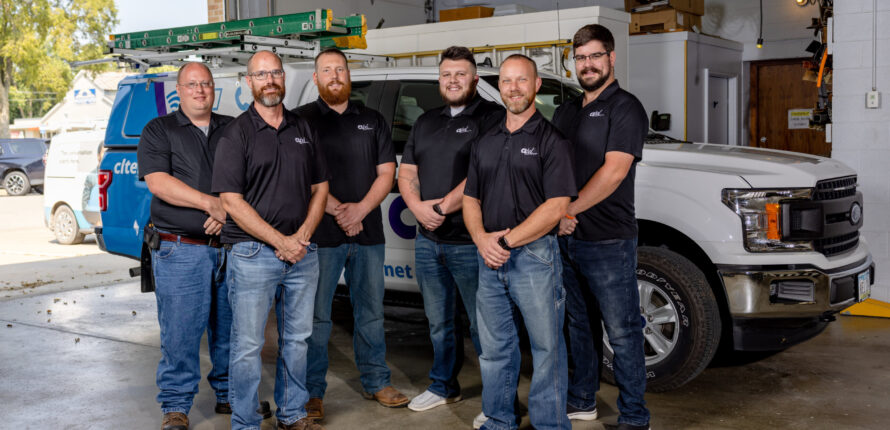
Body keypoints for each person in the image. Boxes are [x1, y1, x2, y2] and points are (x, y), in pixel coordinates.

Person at [212, 51, 329, 430]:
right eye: (261, 75)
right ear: (249, 82)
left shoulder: (303, 128)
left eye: (275, 73)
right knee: (247, 346)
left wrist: (303, 237)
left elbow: (321, 187)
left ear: (283, 76)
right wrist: (281, 241)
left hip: (303, 252)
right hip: (252, 254)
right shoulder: (236, 134)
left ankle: (292, 413)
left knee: (298, 341)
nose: (269, 80)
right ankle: (245, 422)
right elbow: (231, 201)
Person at [463, 54, 576, 430]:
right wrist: (481, 239)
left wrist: (506, 242)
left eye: (521, 81)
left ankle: (550, 425)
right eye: (507, 81)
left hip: (533, 257)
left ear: (536, 85)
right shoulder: (486, 140)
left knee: (546, 350)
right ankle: (498, 420)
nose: (513, 88)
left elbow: (558, 205)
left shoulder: (552, 140)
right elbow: (470, 198)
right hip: (488, 257)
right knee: (495, 350)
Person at [294, 48, 405, 421]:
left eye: (340, 69)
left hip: (368, 232)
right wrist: (340, 210)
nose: (335, 75)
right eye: (327, 70)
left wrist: (359, 211)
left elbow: (386, 173)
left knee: (371, 313)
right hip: (320, 235)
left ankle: (376, 382)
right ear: (316, 78)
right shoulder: (301, 121)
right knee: (317, 318)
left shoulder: (372, 120)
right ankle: (312, 394)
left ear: (349, 74)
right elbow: (301, 177)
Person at [552, 24, 651, 430]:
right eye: (580, 58)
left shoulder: (625, 107)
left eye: (595, 56)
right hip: (567, 240)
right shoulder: (566, 110)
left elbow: (614, 172)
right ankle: (581, 399)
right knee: (579, 325)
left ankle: (634, 416)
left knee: (624, 331)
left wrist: (568, 210)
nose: (587, 64)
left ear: (611, 58)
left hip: (609, 239)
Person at [138, 62, 245, 430]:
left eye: (206, 84)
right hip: (180, 250)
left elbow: (251, 177)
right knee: (181, 332)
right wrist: (210, 203)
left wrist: (226, 210)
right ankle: (176, 406)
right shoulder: (159, 130)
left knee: (232, 328)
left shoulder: (234, 127)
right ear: (179, 90)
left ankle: (230, 395)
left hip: (230, 247)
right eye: (192, 84)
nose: (200, 90)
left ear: (214, 88)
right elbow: (159, 183)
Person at [397, 46, 503, 414]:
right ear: (439, 80)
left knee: (484, 326)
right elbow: (407, 171)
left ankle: (496, 402)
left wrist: (441, 207)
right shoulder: (426, 121)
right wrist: (417, 208)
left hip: (471, 242)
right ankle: (444, 386)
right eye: (446, 74)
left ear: (475, 78)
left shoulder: (492, 117)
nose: (453, 80)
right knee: (439, 322)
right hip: (428, 242)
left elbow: (482, 173)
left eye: (461, 74)